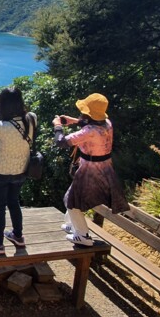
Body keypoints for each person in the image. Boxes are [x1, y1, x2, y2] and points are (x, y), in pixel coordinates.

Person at [52, 93, 128, 247]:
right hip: (105, 168)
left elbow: (61, 142)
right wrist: (74, 121)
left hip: (90, 171)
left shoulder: (89, 132)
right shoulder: (107, 123)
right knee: (71, 196)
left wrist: (57, 126)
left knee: (73, 202)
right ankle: (72, 225)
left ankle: (82, 235)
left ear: (88, 113)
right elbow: (93, 125)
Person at [0, 87, 36, 254]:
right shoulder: (31, 119)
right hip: (21, 170)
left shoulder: (1, 125)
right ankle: (18, 236)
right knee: (14, 202)